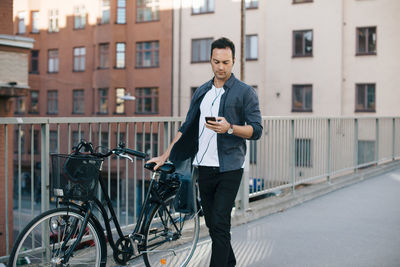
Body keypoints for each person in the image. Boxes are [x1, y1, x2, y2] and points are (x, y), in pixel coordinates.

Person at [147, 37, 262, 267]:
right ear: (210, 60)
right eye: (216, 62)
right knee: (212, 223)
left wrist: (230, 128)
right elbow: (186, 128)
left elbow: (256, 130)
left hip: (230, 167)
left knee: (220, 223)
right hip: (203, 167)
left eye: (226, 62)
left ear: (234, 61)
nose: (221, 67)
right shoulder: (202, 92)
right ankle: (229, 262)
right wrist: (164, 155)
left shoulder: (245, 92)